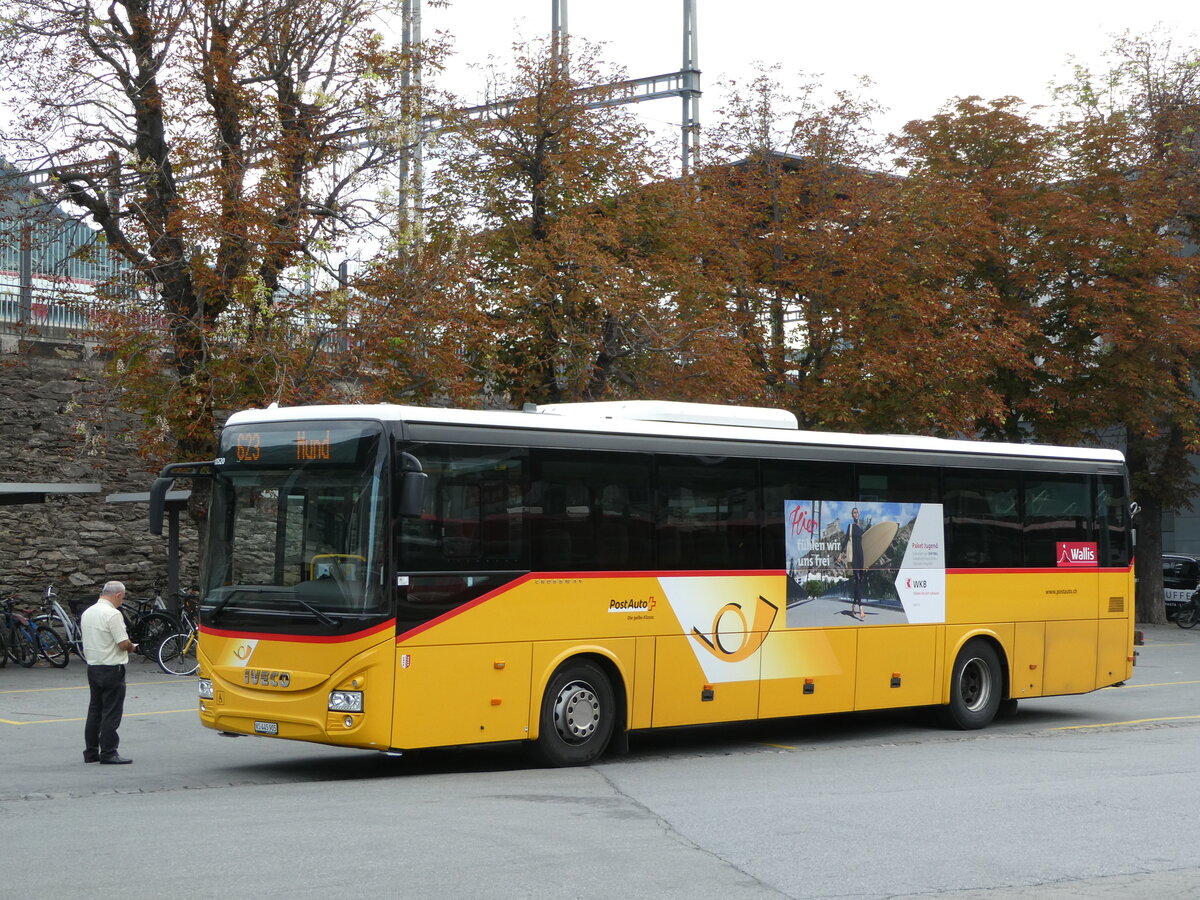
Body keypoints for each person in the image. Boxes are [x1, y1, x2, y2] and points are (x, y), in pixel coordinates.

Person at [80, 581, 137, 764]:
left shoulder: (88, 612)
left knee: (95, 710)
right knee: (111, 712)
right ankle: (109, 752)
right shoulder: (112, 614)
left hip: (93, 665)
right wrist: (132, 647)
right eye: (122, 598)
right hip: (112, 667)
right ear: (118, 595)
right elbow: (123, 643)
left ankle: (90, 752)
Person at [843, 507, 867, 621]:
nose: (855, 514)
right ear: (852, 515)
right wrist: (840, 553)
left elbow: (865, 544)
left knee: (858, 582)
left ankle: (853, 607)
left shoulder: (860, 528)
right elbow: (845, 539)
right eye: (853, 512)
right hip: (854, 557)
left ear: (859, 514)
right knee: (857, 577)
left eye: (857, 512)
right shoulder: (851, 526)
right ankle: (861, 608)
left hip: (860, 556)